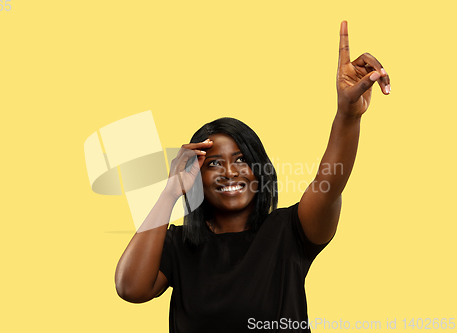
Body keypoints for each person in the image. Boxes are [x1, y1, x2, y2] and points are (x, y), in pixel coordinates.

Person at [114, 21, 390, 332]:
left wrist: (348, 115)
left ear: (260, 171)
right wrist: (169, 193)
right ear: (196, 175)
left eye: (242, 159)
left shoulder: (289, 232)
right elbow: (130, 288)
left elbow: (328, 185)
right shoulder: (178, 245)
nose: (230, 171)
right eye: (214, 163)